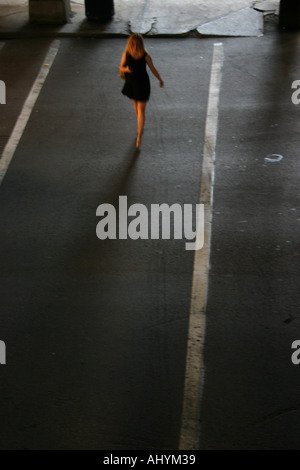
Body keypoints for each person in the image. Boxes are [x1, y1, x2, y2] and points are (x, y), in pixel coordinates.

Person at [120, 33, 164, 149]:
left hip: (143, 83)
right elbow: (121, 67)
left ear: (141, 45)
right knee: (136, 106)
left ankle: (139, 134)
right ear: (130, 44)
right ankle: (140, 124)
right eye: (133, 44)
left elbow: (153, 68)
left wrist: (160, 79)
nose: (135, 47)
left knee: (141, 109)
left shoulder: (145, 56)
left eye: (137, 45)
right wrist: (126, 69)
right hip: (131, 83)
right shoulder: (126, 54)